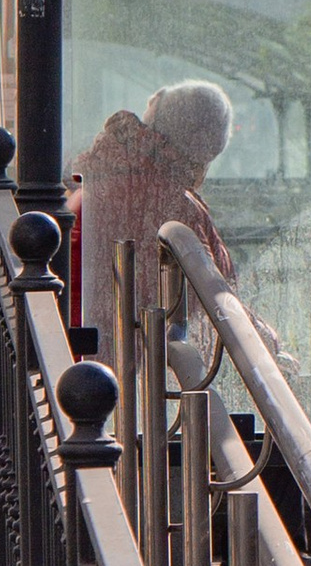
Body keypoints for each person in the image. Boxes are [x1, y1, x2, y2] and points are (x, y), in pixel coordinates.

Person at [71, 78, 237, 357]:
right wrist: (271, 350)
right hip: (118, 372)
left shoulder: (102, 179)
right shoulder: (172, 206)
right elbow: (213, 308)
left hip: (77, 356)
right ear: (200, 153)